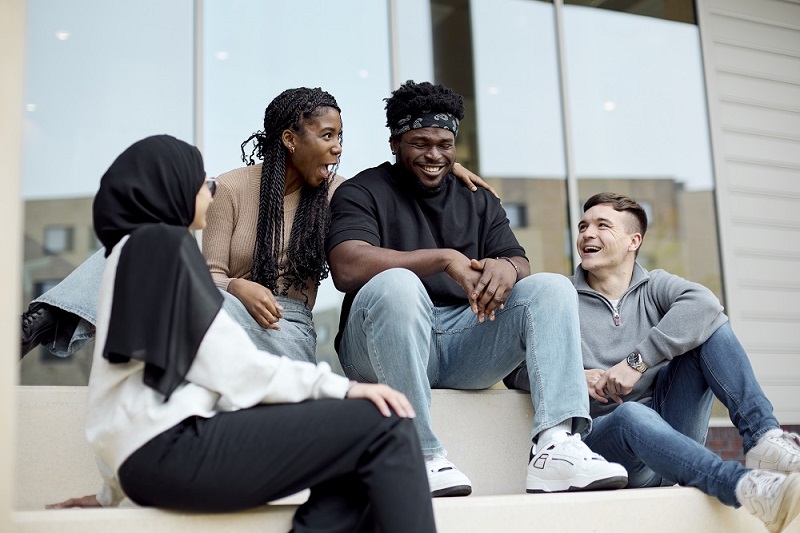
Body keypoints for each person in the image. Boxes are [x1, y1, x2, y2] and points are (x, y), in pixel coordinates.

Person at [47, 134, 438, 533]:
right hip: (175, 450)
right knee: (388, 422)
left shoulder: (132, 254)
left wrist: (108, 495)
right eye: (204, 182)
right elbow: (230, 365)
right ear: (173, 185)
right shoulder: (162, 243)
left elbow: (119, 393)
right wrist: (343, 388)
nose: (212, 192)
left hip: (146, 461)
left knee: (350, 450)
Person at [20, 87, 494, 361]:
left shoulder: (339, 192)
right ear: (290, 138)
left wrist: (443, 165)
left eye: (341, 137)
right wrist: (237, 289)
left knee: (154, 265)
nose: (337, 148)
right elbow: (208, 277)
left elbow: (392, 178)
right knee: (142, 246)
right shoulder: (231, 188)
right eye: (326, 136)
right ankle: (40, 321)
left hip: (287, 332)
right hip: (225, 311)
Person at [325, 80, 628, 498]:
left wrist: (507, 267)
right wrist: (443, 258)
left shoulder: (477, 198)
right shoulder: (362, 191)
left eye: (445, 144)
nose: (434, 155)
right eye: (420, 143)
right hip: (380, 347)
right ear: (395, 143)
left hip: (465, 345)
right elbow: (345, 266)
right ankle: (420, 454)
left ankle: (556, 446)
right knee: (398, 284)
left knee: (552, 286)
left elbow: (517, 259)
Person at [504, 192, 800, 533]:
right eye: (583, 226)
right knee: (631, 414)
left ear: (634, 241)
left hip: (673, 436)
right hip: (606, 448)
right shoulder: (560, 297)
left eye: (602, 226)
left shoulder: (654, 285)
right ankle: (744, 486)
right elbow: (513, 371)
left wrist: (637, 362)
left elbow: (705, 304)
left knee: (710, 325)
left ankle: (763, 438)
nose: (587, 234)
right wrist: (572, 377)